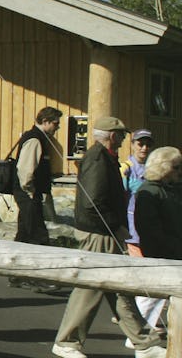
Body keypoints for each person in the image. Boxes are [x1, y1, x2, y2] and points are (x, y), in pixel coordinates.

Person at [51, 115, 164, 358]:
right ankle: (66, 342)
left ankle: (142, 341)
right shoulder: (98, 160)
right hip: (99, 232)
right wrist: (118, 227)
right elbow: (95, 202)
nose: (124, 140)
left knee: (118, 286)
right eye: (122, 135)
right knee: (90, 288)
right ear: (112, 136)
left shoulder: (103, 158)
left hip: (104, 230)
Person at [131, 145, 181, 336]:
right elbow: (149, 229)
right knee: (150, 297)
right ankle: (138, 336)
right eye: (175, 167)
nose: (179, 172)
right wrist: (171, 248)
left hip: (174, 251)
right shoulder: (149, 191)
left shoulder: (172, 190)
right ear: (163, 167)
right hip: (161, 253)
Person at [12, 106, 63, 249]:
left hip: (31, 192)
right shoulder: (34, 139)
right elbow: (25, 169)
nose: (57, 127)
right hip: (28, 192)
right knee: (38, 235)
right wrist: (30, 190)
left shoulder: (40, 138)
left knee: (25, 232)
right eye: (55, 123)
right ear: (45, 121)